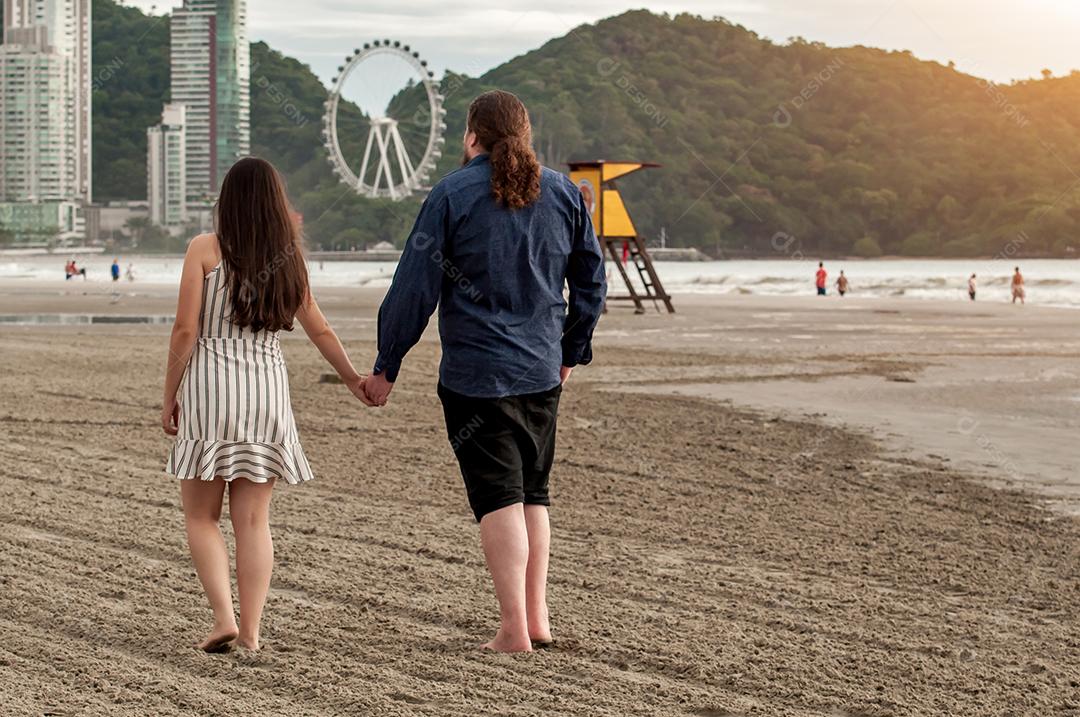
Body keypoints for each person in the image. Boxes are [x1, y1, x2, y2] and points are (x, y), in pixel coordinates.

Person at [361, 90, 606, 653]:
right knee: (533, 496)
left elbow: (413, 289)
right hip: (543, 370)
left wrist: (386, 366)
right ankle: (537, 617)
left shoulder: (451, 194)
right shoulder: (565, 193)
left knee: (499, 499)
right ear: (524, 134)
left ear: (472, 136)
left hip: (477, 375)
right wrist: (571, 351)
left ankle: (514, 629)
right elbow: (591, 284)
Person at [161, 157, 369, 654]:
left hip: (210, 387)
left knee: (201, 517)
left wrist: (169, 396)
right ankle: (251, 633)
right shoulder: (289, 259)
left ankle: (222, 619)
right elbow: (319, 328)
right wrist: (353, 379)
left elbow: (186, 330)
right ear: (277, 204)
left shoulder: (204, 250)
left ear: (226, 201)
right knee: (253, 521)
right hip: (266, 389)